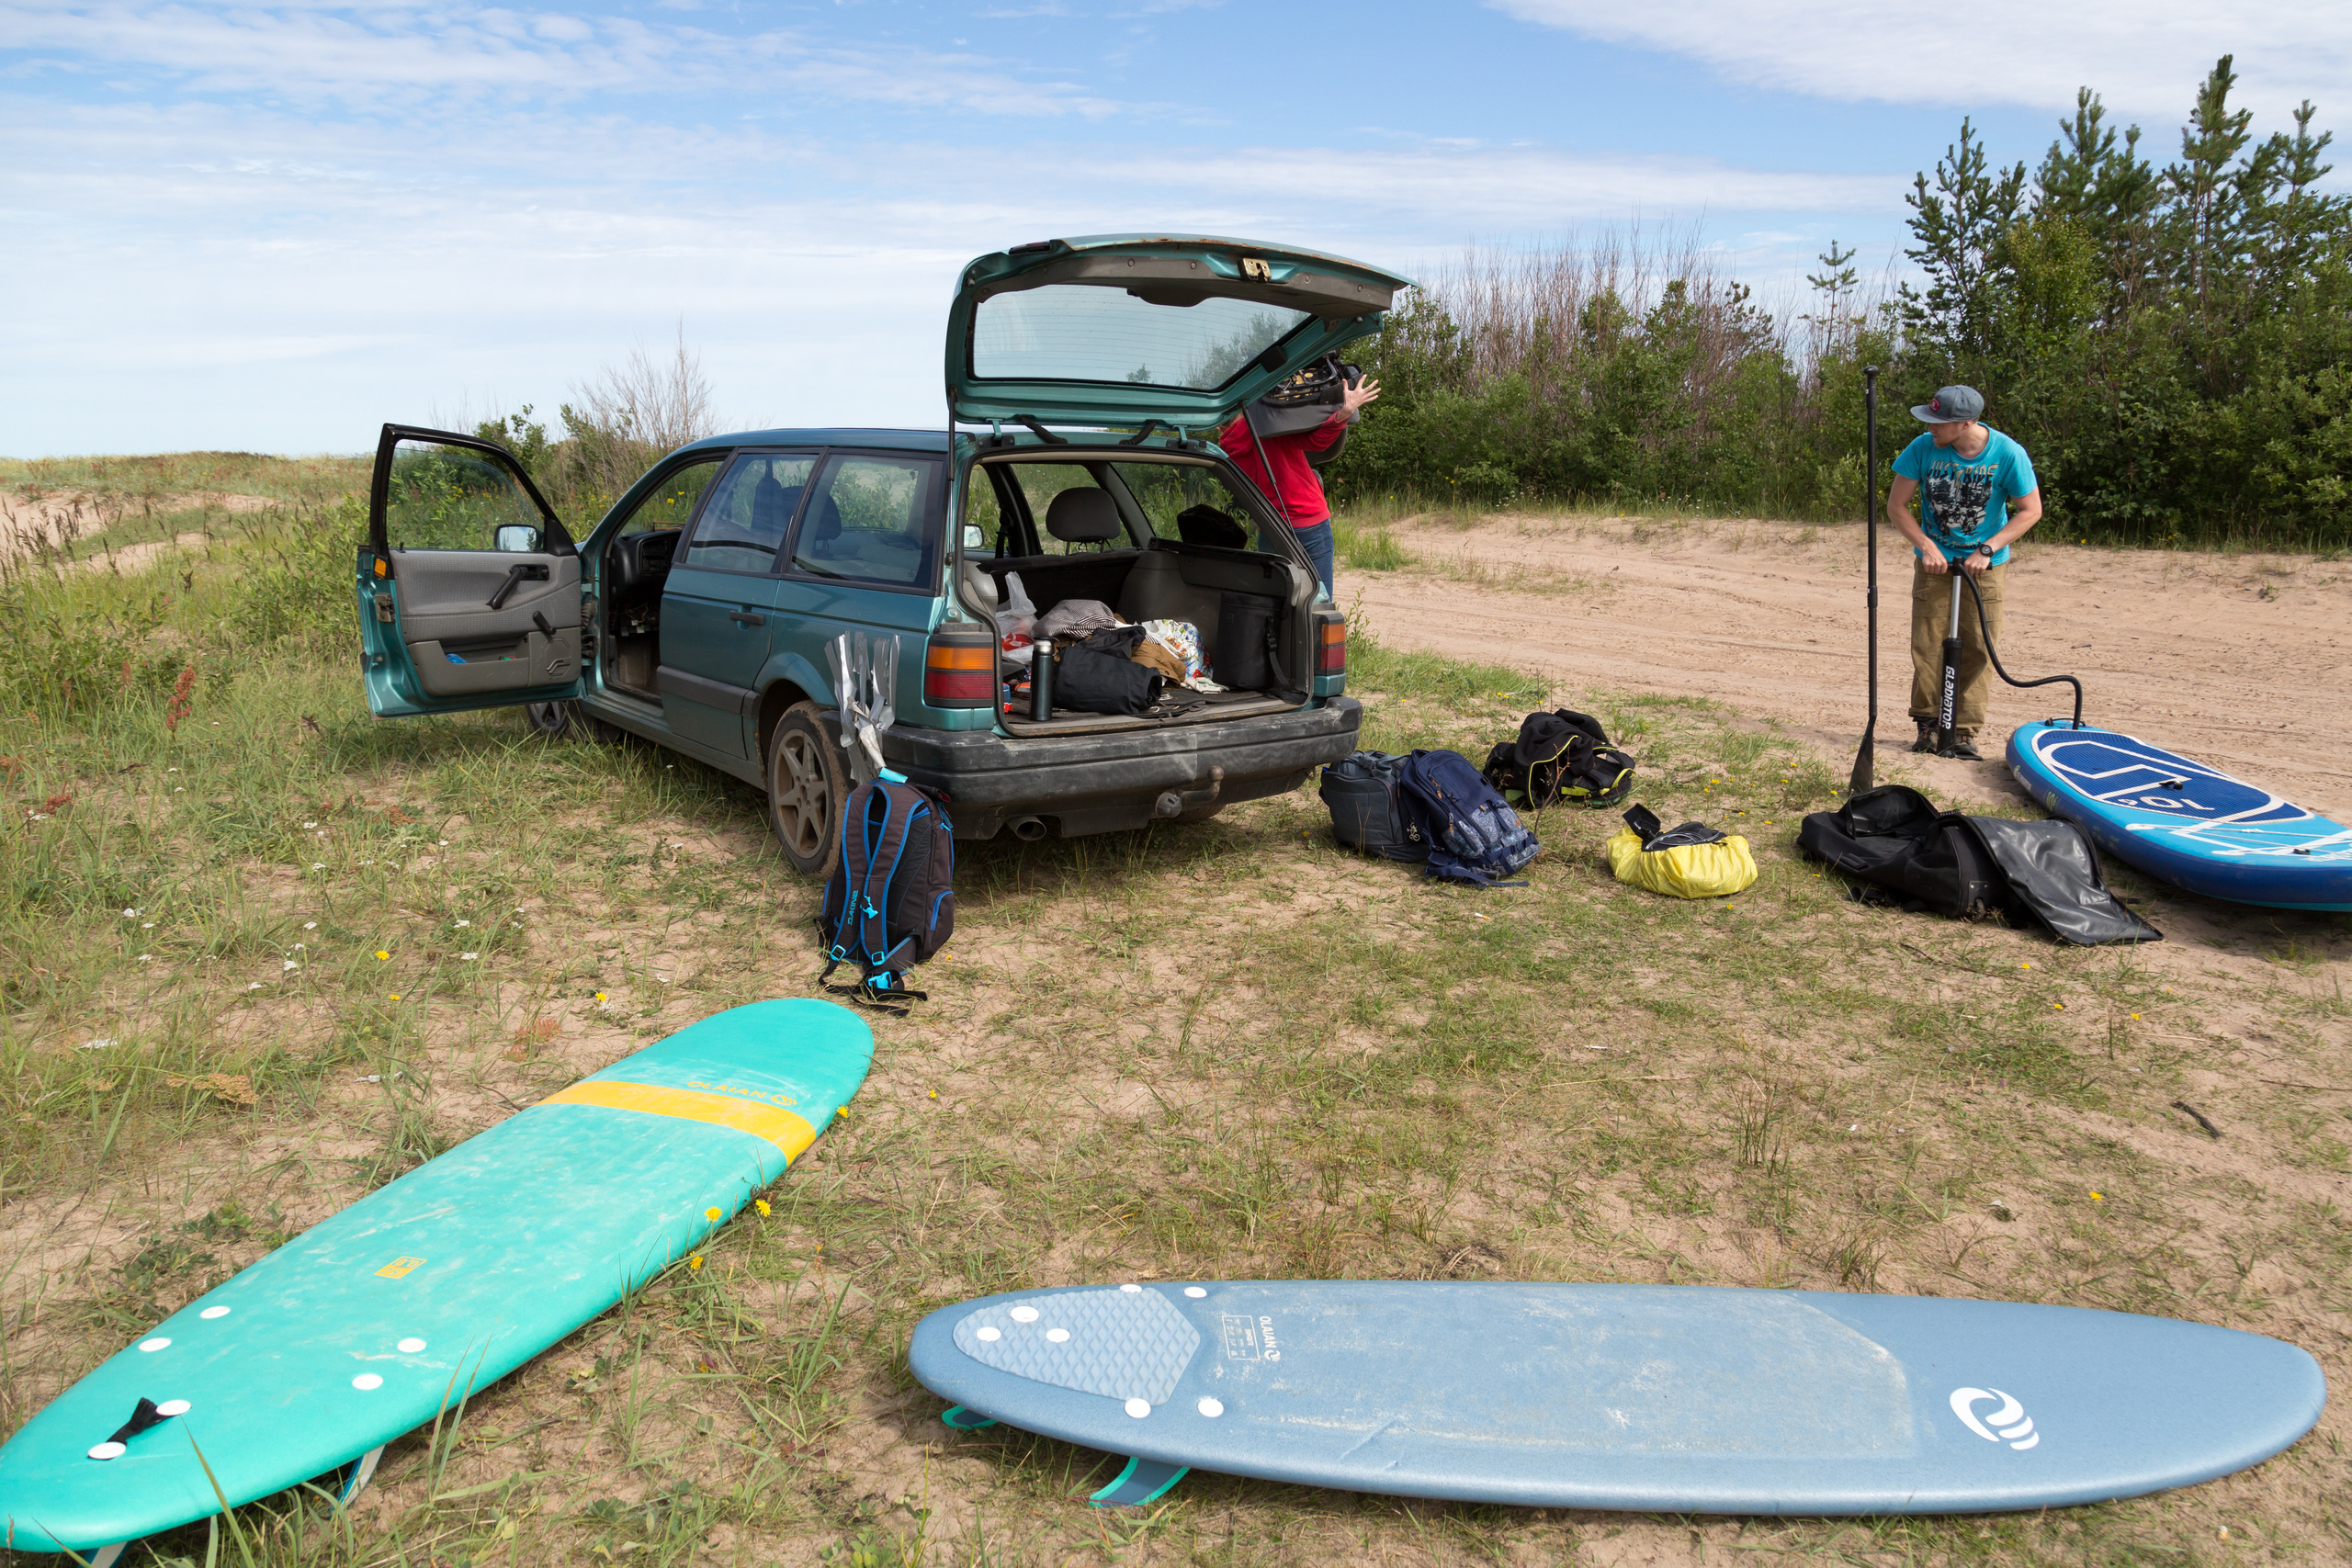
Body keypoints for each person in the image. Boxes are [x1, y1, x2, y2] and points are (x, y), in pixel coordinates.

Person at [1884, 384, 2043, 761]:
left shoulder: (2007, 453)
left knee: (1978, 648)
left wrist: (1988, 549)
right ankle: (1927, 724)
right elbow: (1896, 506)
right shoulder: (1922, 449)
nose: (1930, 429)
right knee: (1927, 644)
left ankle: (1962, 731)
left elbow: (2030, 510)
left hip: (1985, 566)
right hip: (1934, 563)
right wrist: (1926, 546)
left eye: (1939, 423)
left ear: (1967, 422)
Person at [1218, 373, 1381, 597]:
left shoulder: (1225, 450)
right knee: (1319, 603)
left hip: (1270, 528)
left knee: (1276, 602)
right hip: (1309, 523)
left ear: (1220, 425)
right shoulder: (1266, 425)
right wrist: (1345, 411)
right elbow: (1316, 441)